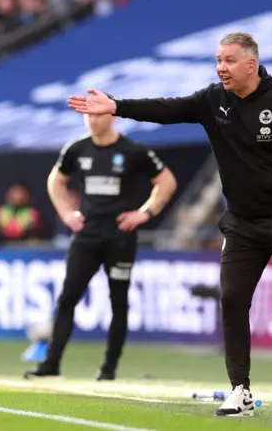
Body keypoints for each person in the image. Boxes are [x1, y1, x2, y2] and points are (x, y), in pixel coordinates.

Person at [67, 32, 272, 419]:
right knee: (232, 300)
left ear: (251, 64)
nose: (221, 67)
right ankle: (240, 391)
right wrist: (117, 106)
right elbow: (166, 108)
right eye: (218, 60)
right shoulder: (213, 100)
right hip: (242, 226)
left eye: (229, 60)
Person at [24, 111, 177, 381]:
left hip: (120, 237)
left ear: (113, 117)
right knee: (67, 298)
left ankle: (108, 369)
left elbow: (166, 181)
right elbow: (56, 181)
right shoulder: (77, 149)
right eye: (88, 115)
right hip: (87, 237)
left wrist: (145, 213)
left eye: (98, 115)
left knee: (118, 302)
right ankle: (51, 364)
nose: (92, 120)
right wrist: (67, 213)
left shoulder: (133, 150)